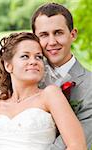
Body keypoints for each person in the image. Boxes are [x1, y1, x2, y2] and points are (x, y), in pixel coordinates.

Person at [0, 32, 87, 150]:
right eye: (25, 56)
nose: (33, 61)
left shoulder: (50, 94)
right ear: (8, 66)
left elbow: (77, 145)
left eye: (39, 57)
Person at [31, 2, 92, 150]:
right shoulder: (25, 76)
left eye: (58, 32)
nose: (52, 42)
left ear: (73, 34)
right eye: (44, 35)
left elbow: (81, 140)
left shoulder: (90, 84)